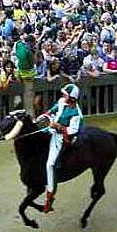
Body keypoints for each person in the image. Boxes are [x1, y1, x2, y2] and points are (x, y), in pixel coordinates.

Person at [38, 83, 84, 213]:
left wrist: (57, 127)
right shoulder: (62, 101)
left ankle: (50, 196)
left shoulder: (76, 113)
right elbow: (54, 109)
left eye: (65, 94)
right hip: (51, 128)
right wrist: (46, 115)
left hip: (60, 136)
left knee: (50, 164)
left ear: (71, 97)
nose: (63, 95)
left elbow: (72, 130)